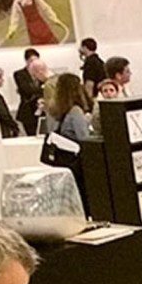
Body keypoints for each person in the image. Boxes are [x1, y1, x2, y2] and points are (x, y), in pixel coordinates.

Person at [43, 73, 91, 210]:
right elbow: (84, 138)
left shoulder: (55, 111)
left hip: (62, 159)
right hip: (76, 161)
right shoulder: (75, 111)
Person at [3, 0, 68, 47]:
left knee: (53, 45)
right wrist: (12, 30)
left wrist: (54, 19)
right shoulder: (17, 2)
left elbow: (46, 8)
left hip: (43, 27)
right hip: (32, 31)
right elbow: (14, 18)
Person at [13, 48, 44, 136]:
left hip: (42, 109)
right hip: (28, 111)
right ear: (26, 61)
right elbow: (26, 90)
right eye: (31, 61)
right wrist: (40, 90)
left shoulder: (42, 72)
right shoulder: (19, 74)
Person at [0, 66, 21, 138]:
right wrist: (13, 125)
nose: (2, 80)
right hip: (3, 128)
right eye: (0, 78)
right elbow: (3, 113)